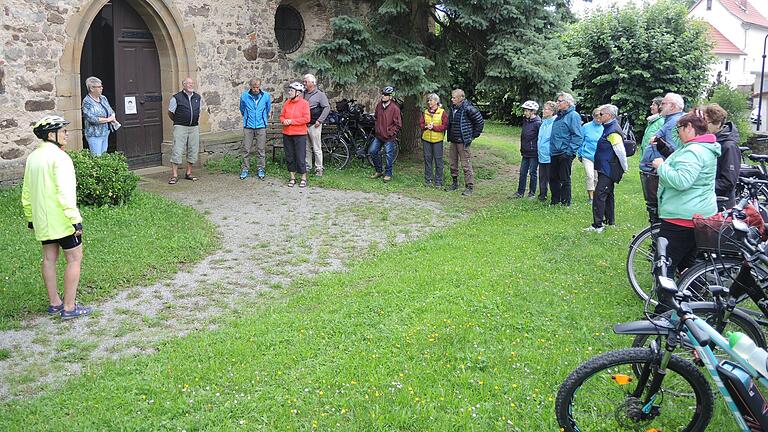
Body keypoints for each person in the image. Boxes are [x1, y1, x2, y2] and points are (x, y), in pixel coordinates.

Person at [22, 115, 92, 320]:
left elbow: (26, 193)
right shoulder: (61, 158)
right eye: (63, 131)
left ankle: (55, 303)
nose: (67, 134)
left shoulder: (33, 157)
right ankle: (69, 307)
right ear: (51, 135)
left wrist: (31, 218)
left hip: (43, 220)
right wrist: (74, 219)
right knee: (75, 258)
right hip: (62, 220)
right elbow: (65, 192)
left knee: (48, 259)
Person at [651, 113, 720, 274]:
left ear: (689, 127)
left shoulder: (694, 151)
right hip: (699, 214)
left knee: (664, 267)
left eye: (679, 129)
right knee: (687, 266)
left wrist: (661, 167)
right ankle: (690, 295)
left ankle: (665, 299)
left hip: (682, 217)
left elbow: (682, 181)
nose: (678, 134)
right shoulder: (705, 148)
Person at [585, 105, 628, 233]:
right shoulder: (608, 127)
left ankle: (597, 225)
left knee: (599, 194)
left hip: (609, 168)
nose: (599, 116)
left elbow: (620, 151)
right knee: (608, 194)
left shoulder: (613, 131)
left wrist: (625, 167)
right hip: (606, 166)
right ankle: (610, 222)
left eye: (602, 114)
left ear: (609, 115)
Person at [446, 88, 484, 196]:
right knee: (453, 163)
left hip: (463, 141)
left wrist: (472, 136)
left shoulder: (469, 108)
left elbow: (480, 122)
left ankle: (469, 186)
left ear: (460, 98)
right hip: (453, 140)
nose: (452, 99)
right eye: (452, 97)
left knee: (466, 164)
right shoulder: (453, 108)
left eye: (454, 97)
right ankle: (454, 183)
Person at [703, 103, 740, 209]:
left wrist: (701, 186)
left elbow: (728, 181)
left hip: (722, 203)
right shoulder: (709, 141)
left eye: (707, 123)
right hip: (709, 199)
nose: (704, 126)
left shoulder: (729, 146)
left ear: (718, 124)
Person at [549, 92, 583, 206]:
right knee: (553, 178)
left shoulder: (573, 115)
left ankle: (565, 202)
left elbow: (577, 135)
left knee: (564, 179)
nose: (557, 103)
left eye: (560, 101)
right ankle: (554, 201)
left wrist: (569, 152)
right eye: (557, 101)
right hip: (554, 151)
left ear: (567, 103)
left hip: (565, 152)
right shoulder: (559, 116)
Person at [167, 77, 203, 184]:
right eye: (188, 83)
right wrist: (178, 120)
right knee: (177, 149)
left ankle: (189, 173)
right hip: (180, 127)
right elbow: (170, 112)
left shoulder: (197, 97)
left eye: (192, 83)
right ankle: (174, 175)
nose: (191, 85)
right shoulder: (176, 98)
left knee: (193, 149)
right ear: (183, 85)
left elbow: (199, 111)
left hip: (194, 127)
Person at [641, 92, 684, 172]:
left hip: (660, 172)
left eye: (663, 104)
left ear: (672, 106)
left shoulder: (674, 123)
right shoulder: (671, 121)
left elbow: (673, 152)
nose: (660, 106)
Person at [280, 82, 311, 188]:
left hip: (299, 134)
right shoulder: (287, 103)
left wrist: (291, 121)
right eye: (289, 90)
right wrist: (284, 121)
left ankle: (303, 177)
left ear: (298, 93)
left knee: (300, 156)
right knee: (289, 156)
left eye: (291, 91)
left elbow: (307, 119)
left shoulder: (304, 103)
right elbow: (282, 116)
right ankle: (292, 177)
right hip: (287, 133)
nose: (289, 92)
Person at [239, 78, 271, 180]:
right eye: (254, 87)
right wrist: (248, 118)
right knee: (246, 149)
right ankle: (245, 169)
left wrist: (262, 118)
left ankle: (261, 168)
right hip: (248, 126)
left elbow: (268, 108)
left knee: (261, 149)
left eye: (257, 87)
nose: (256, 89)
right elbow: (242, 109)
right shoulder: (244, 96)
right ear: (250, 87)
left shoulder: (265, 96)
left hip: (261, 126)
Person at [369, 86, 402, 182]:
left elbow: (398, 124)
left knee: (388, 155)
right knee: (372, 151)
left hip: (389, 137)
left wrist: (390, 133)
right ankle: (379, 171)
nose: (383, 96)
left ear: (390, 97)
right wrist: (377, 128)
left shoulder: (395, 108)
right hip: (379, 135)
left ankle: (388, 174)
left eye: (386, 94)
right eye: (382, 94)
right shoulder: (379, 105)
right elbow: (376, 117)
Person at [303, 74, 331, 177]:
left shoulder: (320, 94)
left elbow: (327, 107)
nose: (304, 83)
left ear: (312, 83)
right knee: (306, 147)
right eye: (304, 82)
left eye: (306, 82)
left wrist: (320, 120)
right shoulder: (303, 94)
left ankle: (319, 168)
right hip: (305, 124)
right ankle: (307, 166)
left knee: (316, 147)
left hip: (315, 124)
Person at [81, 76, 116, 156]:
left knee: (103, 157)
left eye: (101, 86)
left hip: (105, 132)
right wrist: (108, 119)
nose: (102, 88)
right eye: (99, 87)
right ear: (92, 88)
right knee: (97, 157)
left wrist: (113, 117)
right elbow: (92, 119)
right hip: (94, 134)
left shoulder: (103, 98)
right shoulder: (87, 102)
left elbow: (111, 111)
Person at [419, 93, 448, 188]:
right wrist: (426, 126)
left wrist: (434, 127)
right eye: (428, 100)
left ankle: (438, 181)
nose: (429, 102)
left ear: (436, 101)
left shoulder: (442, 112)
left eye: (431, 100)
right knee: (427, 160)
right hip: (426, 139)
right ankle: (428, 180)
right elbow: (421, 124)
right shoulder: (425, 112)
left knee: (438, 161)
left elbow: (444, 126)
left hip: (437, 140)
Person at [515, 100, 541, 198]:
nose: (525, 113)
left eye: (527, 111)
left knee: (533, 172)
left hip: (534, 152)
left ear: (533, 111)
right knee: (522, 172)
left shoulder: (538, 123)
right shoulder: (526, 121)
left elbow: (540, 138)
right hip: (525, 151)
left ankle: (532, 193)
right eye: (524, 111)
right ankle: (520, 192)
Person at [579, 108, 604, 204]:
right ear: (593, 117)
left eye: (600, 118)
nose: (598, 120)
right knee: (590, 175)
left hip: (599, 156)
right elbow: (581, 140)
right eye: (596, 118)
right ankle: (591, 197)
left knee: (597, 177)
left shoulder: (604, 127)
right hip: (587, 155)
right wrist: (580, 153)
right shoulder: (586, 127)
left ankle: (597, 194)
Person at [536, 101, 557, 202]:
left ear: (552, 111)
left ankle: (555, 196)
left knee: (551, 177)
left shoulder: (554, 123)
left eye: (546, 109)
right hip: (541, 154)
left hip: (549, 154)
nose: (544, 111)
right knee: (542, 176)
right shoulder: (543, 123)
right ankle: (542, 195)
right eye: (544, 108)